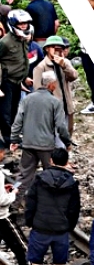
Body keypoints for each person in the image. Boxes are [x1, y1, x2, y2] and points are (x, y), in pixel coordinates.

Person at [22, 146, 79, 265]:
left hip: (40, 227)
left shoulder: (40, 179)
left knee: (36, 263)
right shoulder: (72, 183)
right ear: (66, 162)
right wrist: (69, 226)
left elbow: (31, 202)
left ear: (51, 160)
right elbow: (74, 209)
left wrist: (30, 221)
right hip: (60, 229)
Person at [11, 72, 71, 214]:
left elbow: (17, 121)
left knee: (23, 176)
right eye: (55, 84)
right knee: (51, 175)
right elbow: (61, 126)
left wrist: (14, 139)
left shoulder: (27, 99)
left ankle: (12, 204)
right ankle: (51, 207)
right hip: (46, 146)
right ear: (51, 85)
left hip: (28, 144)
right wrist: (67, 142)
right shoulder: (55, 102)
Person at [31, 35, 77, 137]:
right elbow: (37, 90)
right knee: (55, 136)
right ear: (47, 49)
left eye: (59, 48)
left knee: (68, 132)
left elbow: (73, 76)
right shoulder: (41, 67)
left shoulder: (65, 62)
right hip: (52, 108)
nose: (57, 50)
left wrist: (64, 65)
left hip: (67, 105)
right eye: (54, 47)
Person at [0, 9, 32, 145]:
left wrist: (24, 78)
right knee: (5, 112)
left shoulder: (23, 39)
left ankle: (13, 136)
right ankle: (8, 138)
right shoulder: (5, 42)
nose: (24, 26)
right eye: (21, 23)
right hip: (6, 81)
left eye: (26, 23)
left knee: (15, 110)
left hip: (18, 81)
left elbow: (22, 59)